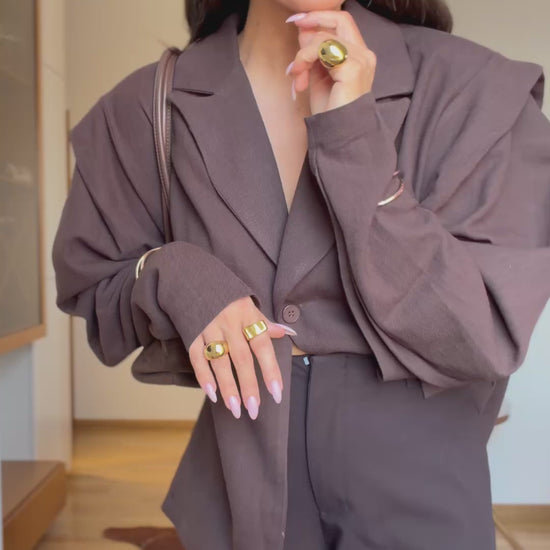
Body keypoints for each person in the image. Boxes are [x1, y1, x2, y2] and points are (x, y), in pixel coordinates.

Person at [52, 0, 550, 548]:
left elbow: (482, 334)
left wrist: (354, 144)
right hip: (234, 508)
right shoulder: (147, 109)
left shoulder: (475, 90)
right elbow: (94, 286)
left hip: (425, 517)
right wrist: (176, 276)